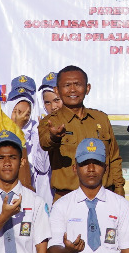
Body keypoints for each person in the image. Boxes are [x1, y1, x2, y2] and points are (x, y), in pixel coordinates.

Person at [40, 66, 123, 199]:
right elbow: (45, 143)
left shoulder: (101, 119)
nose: (72, 90)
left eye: (77, 84)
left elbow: (114, 159)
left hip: (104, 197)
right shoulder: (50, 122)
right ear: (57, 90)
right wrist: (54, 137)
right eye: (67, 85)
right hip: (67, 198)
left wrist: (119, 192)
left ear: (88, 88)